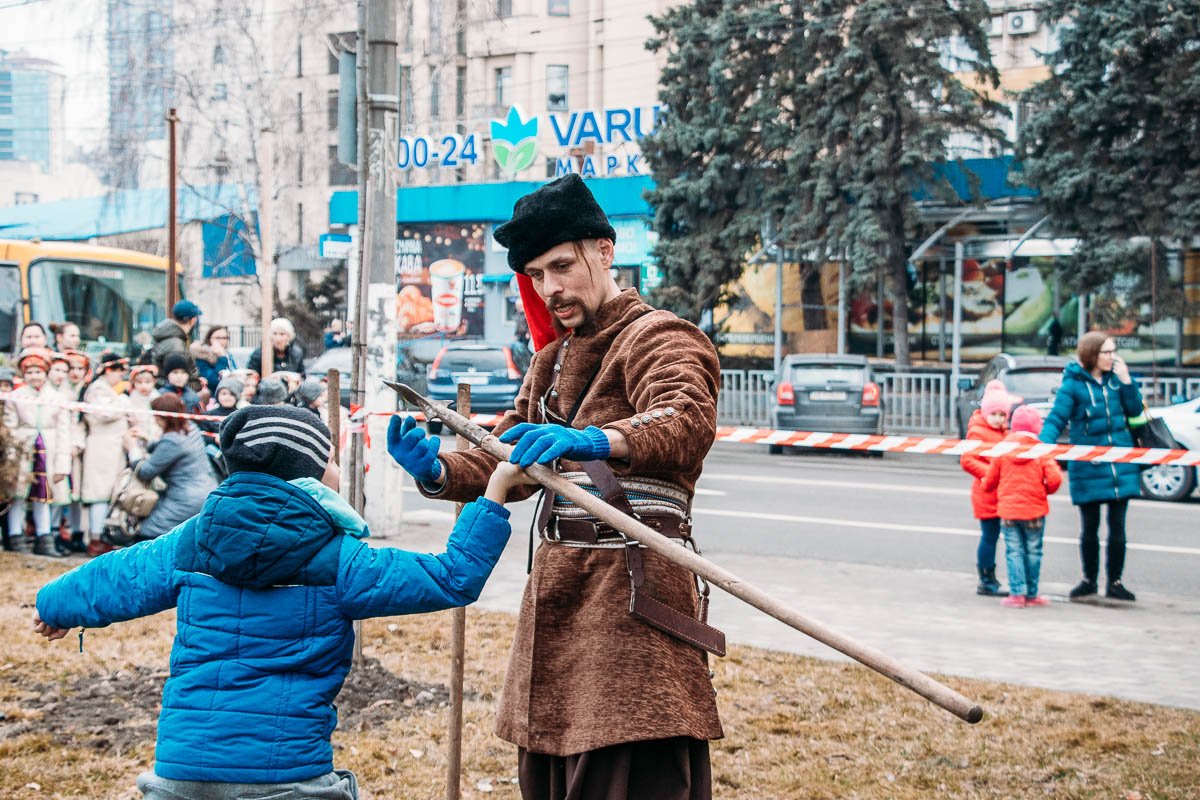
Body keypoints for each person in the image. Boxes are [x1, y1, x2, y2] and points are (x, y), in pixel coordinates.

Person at [388, 174, 724, 799]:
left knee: (627, 769)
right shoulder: (552, 360)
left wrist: (596, 440)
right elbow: (507, 457)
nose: (550, 289)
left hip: (633, 597)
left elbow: (686, 420)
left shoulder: (661, 336)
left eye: (562, 267)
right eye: (537, 275)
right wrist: (436, 470)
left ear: (604, 250)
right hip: (558, 594)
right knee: (548, 775)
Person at [32, 405, 527, 800]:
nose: (338, 468)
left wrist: (54, 607)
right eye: (331, 459)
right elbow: (453, 577)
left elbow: (110, 578)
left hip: (182, 775)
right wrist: (495, 490)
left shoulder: (189, 542)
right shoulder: (341, 560)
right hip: (287, 777)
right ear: (310, 476)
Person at [1040, 331, 1143, 602]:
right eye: (1106, 352)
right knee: (1090, 528)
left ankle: (1115, 582)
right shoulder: (1073, 385)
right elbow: (1056, 418)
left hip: (1119, 465)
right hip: (1088, 466)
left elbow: (1135, 411)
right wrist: (1041, 447)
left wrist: (1127, 381)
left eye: (1113, 351)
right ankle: (1089, 580)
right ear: (1092, 354)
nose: (1112, 357)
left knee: (1118, 528)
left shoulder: (1117, 381)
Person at [984, 406, 1064, 608]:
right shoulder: (1040, 449)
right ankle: (1032, 594)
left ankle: (1017, 594)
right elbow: (1055, 478)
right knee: (1034, 551)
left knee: (1014, 551)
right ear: (1037, 427)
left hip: (1009, 512)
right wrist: (1045, 491)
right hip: (1035, 511)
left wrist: (987, 486)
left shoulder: (1003, 449)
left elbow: (990, 480)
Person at [2, 348, 71, 557]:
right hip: (23, 452)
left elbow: (64, 432)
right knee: (17, 496)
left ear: (45, 372)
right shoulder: (16, 397)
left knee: (43, 497)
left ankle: (44, 537)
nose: (34, 376)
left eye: (38, 372)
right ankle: (15, 535)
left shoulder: (57, 397)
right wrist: (10, 461)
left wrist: (62, 465)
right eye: (29, 372)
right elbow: (10, 428)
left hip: (48, 453)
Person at [122, 394, 217, 541]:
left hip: (185, 499)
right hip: (206, 491)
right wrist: (147, 440)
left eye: (157, 417)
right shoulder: (190, 428)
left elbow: (146, 471)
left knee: (148, 532)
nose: (155, 420)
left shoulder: (173, 440)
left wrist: (132, 449)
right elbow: (165, 450)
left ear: (166, 417)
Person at [959, 380, 1014, 597]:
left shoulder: (1005, 434)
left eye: (1002, 415)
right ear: (985, 412)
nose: (998, 419)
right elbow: (968, 460)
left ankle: (991, 577)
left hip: (1002, 493)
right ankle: (986, 578)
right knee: (990, 536)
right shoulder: (978, 432)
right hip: (986, 493)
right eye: (994, 414)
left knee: (996, 536)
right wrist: (991, 473)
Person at [79, 353, 132, 556]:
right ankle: (95, 537)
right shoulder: (98, 389)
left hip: (112, 449)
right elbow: (105, 413)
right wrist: (123, 402)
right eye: (118, 372)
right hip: (101, 448)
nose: (120, 377)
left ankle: (102, 535)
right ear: (108, 371)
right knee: (99, 493)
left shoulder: (107, 390)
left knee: (108, 493)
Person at [150, 300, 203, 390]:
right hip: (175, 394)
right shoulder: (177, 346)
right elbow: (178, 382)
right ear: (192, 320)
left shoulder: (167, 334)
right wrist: (197, 385)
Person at [191, 325, 237, 391]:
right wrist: (221, 358)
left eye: (225, 338)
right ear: (209, 339)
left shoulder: (227, 354)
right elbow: (213, 380)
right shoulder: (202, 355)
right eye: (218, 338)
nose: (221, 341)